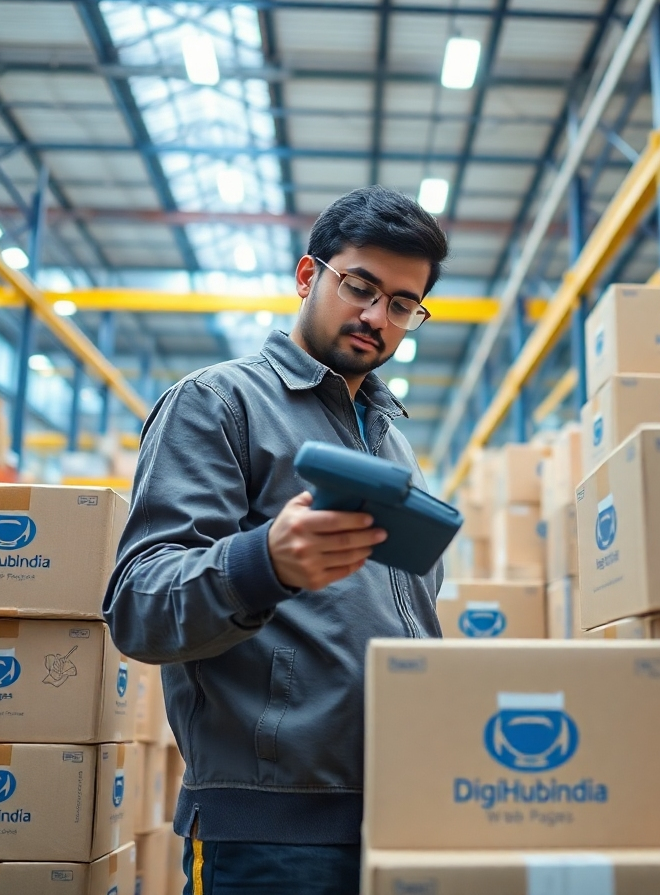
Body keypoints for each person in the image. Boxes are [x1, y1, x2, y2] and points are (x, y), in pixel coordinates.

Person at [104, 186, 450, 895]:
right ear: (308, 276)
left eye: (403, 305)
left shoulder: (394, 444)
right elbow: (138, 604)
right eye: (361, 287)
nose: (376, 317)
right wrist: (265, 563)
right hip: (270, 833)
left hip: (402, 815)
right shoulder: (219, 404)